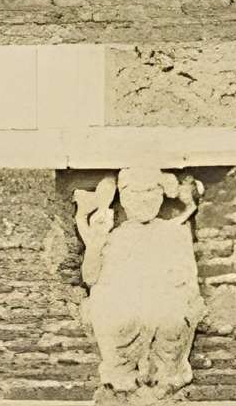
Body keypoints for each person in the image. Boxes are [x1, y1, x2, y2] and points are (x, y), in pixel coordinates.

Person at [76, 166, 204, 394]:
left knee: (171, 321)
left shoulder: (173, 232)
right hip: (124, 299)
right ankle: (123, 373)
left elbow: (186, 276)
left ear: (161, 195)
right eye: (133, 194)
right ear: (123, 199)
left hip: (164, 297)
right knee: (120, 322)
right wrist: (96, 242)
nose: (142, 200)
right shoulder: (115, 235)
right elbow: (91, 277)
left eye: (150, 192)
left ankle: (165, 372)